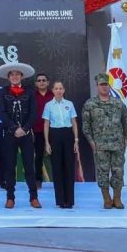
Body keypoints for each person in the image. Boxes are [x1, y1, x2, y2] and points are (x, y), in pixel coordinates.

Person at [0, 62, 41, 209]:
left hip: (26, 134)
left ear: (21, 76)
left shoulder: (30, 92)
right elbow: (1, 112)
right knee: (10, 166)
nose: (15, 77)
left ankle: (33, 197)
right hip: (10, 134)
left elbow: (34, 112)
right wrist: (14, 128)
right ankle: (10, 197)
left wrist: (25, 128)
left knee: (29, 166)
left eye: (17, 74)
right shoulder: (2, 92)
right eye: (12, 75)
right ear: (8, 77)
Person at [82, 72, 127, 210]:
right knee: (102, 172)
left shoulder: (118, 103)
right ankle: (107, 198)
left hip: (117, 144)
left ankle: (117, 198)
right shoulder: (90, 104)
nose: (104, 87)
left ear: (109, 86)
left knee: (118, 172)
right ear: (97, 86)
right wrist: (91, 142)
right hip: (100, 145)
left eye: (106, 84)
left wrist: (126, 139)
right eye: (101, 84)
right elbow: (86, 125)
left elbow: (125, 121)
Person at [42, 80, 79, 210]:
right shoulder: (48, 105)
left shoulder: (69, 104)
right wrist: (47, 142)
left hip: (68, 135)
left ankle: (70, 200)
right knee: (57, 168)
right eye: (56, 88)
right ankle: (60, 200)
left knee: (69, 167)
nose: (58, 90)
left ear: (64, 90)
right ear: (52, 90)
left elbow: (74, 122)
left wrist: (76, 140)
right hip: (55, 135)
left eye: (60, 88)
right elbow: (46, 124)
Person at [31, 72, 53, 189]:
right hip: (37, 130)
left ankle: (58, 179)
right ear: (36, 83)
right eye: (39, 80)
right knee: (38, 156)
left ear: (48, 82)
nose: (41, 82)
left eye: (43, 80)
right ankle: (38, 179)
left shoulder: (53, 95)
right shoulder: (32, 96)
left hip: (53, 130)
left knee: (55, 155)